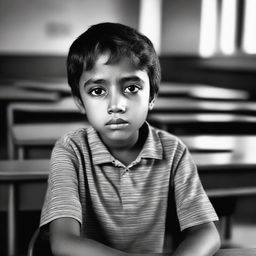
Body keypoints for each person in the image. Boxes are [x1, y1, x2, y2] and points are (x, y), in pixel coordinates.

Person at [40, 22, 220, 256]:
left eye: (132, 88)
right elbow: (63, 241)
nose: (116, 105)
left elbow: (207, 233)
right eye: (97, 91)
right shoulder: (71, 150)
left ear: (152, 96)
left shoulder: (173, 151)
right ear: (79, 101)